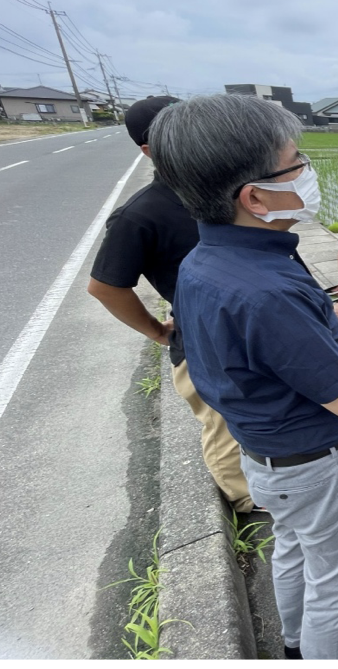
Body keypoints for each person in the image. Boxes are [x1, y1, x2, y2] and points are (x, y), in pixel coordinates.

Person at [149, 94, 338, 660]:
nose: (307, 173)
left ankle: (298, 643)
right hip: (320, 465)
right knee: (336, 586)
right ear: (253, 195)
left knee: (294, 550)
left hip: (266, 459)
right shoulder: (268, 291)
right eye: (296, 164)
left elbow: (253, 348)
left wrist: (327, 314)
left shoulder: (204, 263)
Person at [87, 96, 256, 514]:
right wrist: (156, 331)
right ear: (149, 150)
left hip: (253, 326)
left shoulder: (221, 189)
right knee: (221, 422)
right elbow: (106, 287)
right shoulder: (139, 215)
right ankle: (244, 498)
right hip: (202, 341)